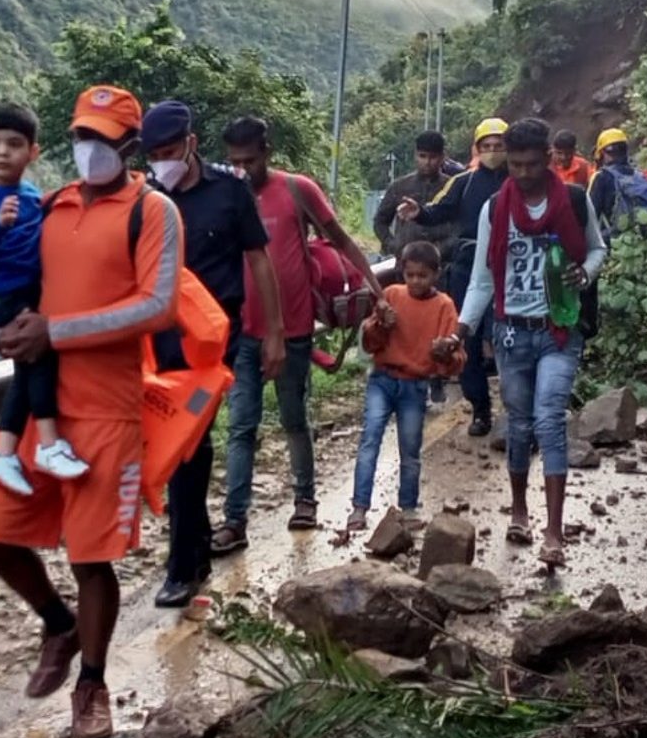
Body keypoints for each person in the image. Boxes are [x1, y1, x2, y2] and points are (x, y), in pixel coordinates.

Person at [0, 85, 184, 738]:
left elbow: (158, 307)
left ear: (129, 145)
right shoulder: (53, 205)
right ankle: (56, 623)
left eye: (101, 138)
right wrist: (12, 328)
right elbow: (14, 278)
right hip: (41, 406)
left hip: (108, 412)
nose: (87, 149)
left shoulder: (154, 211)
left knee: (92, 558)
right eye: (80, 135)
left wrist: (55, 332)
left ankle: (91, 686)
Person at [214, 116, 386, 553]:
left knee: (293, 418)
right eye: (234, 162)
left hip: (292, 330)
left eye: (249, 161)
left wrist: (375, 287)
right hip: (242, 332)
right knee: (241, 427)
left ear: (266, 152)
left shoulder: (296, 189)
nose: (242, 170)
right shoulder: (226, 196)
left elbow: (342, 240)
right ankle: (234, 521)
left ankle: (304, 499)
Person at [139, 101, 284, 608]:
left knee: (186, 443)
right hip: (156, 339)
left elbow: (259, 260)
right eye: (154, 154)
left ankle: (182, 569)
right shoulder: (147, 197)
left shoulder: (229, 191)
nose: (163, 162)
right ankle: (194, 551)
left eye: (170, 152)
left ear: (191, 144)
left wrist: (274, 334)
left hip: (211, 342)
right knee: (180, 447)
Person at [455, 118, 607, 570]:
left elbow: (598, 249)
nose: (522, 173)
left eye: (531, 164)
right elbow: (483, 280)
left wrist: (586, 273)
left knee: (549, 419)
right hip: (510, 330)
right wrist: (460, 330)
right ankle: (519, 510)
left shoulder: (575, 200)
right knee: (518, 425)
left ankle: (555, 532)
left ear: (548, 159)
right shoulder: (493, 209)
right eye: (514, 165)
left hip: (560, 326)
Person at [0, 103, 91, 496]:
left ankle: (5, 450)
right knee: (41, 356)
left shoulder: (32, 196)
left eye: (14, 144)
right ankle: (48, 444)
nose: (2, 152)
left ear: (33, 152)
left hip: (29, 292)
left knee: (27, 371)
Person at [396, 117, 511, 436]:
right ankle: (481, 410)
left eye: (498, 146)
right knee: (468, 337)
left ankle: (516, 409)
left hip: (509, 268)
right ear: (477, 149)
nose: (492, 152)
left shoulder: (519, 180)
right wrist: (418, 212)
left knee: (505, 337)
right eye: (486, 146)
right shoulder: (465, 182)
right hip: (469, 266)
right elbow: (438, 209)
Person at [347, 241, 463, 530]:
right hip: (382, 378)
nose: (415, 281)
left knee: (410, 449)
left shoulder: (444, 306)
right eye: (410, 275)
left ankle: (409, 508)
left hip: (415, 384)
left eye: (422, 276)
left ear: (436, 275)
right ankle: (359, 507)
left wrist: (444, 352)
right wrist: (380, 325)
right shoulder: (391, 295)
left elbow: (456, 358)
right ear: (403, 273)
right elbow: (369, 342)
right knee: (369, 438)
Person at [372, 131, 459, 267]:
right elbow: (380, 222)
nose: (427, 162)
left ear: (442, 157)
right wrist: (394, 245)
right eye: (422, 156)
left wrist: (444, 249)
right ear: (415, 155)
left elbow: (460, 227)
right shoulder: (399, 187)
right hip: (405, 267)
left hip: (442, 267)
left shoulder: (453, 186)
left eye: (433, 157)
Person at [589, 128, 647, 237]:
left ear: (602, 153)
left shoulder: (601, 177)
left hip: (614, 242)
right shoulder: (640, 175)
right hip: (643, 238)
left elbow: (590, 215)